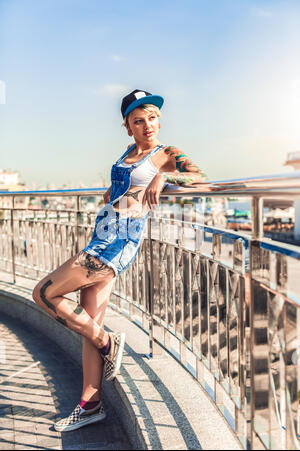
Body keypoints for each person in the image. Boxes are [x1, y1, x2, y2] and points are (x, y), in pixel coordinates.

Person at [32, 89, 207, 432]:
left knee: (44, 294)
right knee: (89, 319)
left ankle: (108, 343)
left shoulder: (166, 154)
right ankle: (91, 404)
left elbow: (201, 179)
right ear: (127, 126)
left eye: (152, 118)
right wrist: (113, 192)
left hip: (115, 245)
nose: (147, 126)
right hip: (103, 235)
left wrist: (164, 176)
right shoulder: (128, 152)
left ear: (159, 121)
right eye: (138, 120)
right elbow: (124, 189)